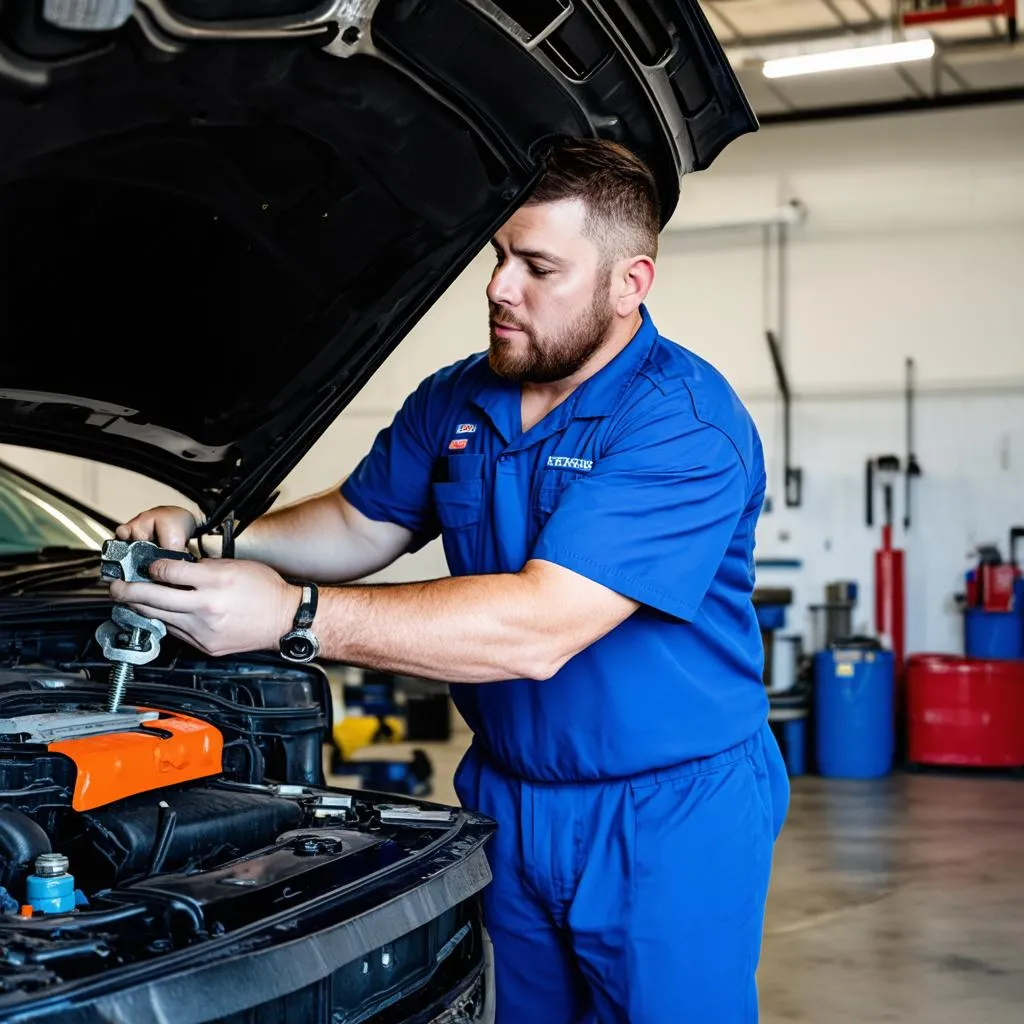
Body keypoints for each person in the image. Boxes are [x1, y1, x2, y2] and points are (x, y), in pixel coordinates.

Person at [110, 137, 790, 1023]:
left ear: (631, 284)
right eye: (499, 255)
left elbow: (540, 627)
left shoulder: (683, 426)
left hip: (670, 814)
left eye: (538, 266)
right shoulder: (457, 399)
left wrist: (294, 616)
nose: (500, 287)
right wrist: (214, 539)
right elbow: (360, 524)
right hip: (507, 791)